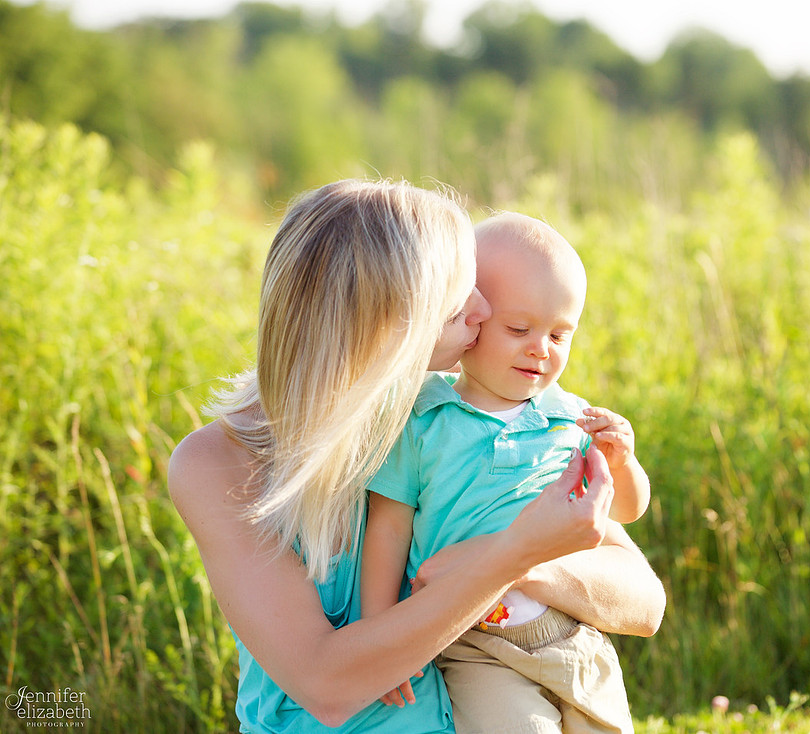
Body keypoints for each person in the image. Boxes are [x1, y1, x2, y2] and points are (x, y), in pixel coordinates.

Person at [167, 181, 666, 733]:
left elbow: (642, 602)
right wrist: (510, 554)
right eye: (458, 295)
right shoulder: (217, 464)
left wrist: (529, 562)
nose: (482, 308)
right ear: (386, 322)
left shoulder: (454, 417)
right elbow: (327, 686)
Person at [363, 212, 654, 733]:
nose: (541, 348)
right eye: (519, 329)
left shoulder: (569, 419)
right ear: (470, 321)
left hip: (572, 630)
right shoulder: (425, 421)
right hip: (475, 640)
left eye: (561, 335)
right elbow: (387, 529)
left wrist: (623, 461)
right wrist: (381, 636)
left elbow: (626, 511)